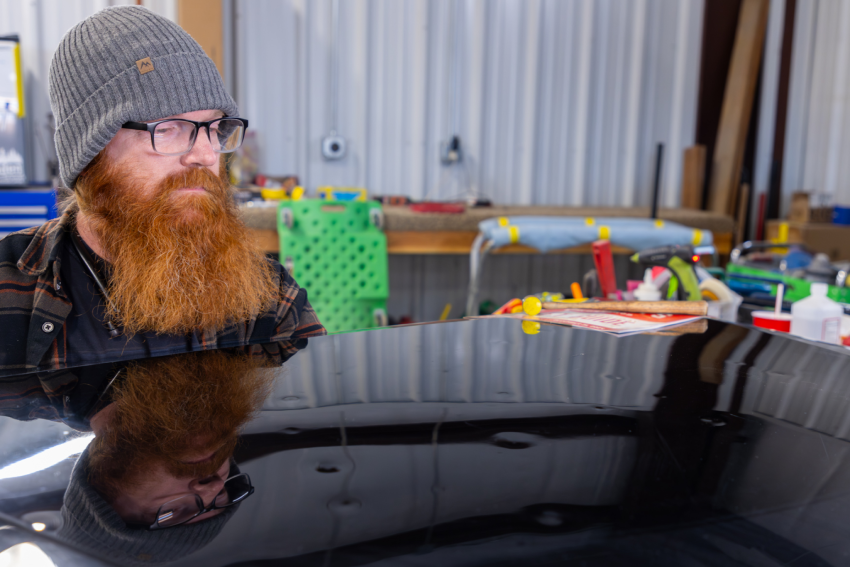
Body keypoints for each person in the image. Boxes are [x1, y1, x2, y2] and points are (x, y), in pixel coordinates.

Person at [0, 5, 325, 377]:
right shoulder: (10, 293)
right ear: (91, 152)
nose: (206, 155)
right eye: (169, 128)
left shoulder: (269, 297)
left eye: (216, 129)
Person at [59, 350, 274, 564]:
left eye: (172, 512)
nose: (214, 486)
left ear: (100, 480)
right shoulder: (270, 345)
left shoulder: (34, 376)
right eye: (222, 496)